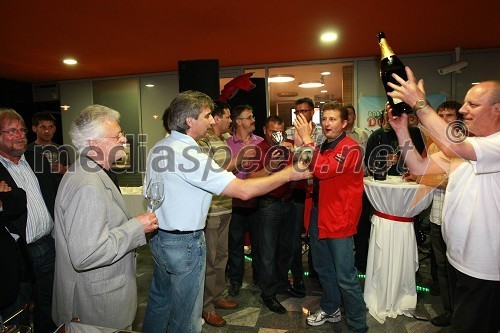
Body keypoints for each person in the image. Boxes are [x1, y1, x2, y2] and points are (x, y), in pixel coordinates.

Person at [142, 91, 310, 333]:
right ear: (190, 121)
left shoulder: (161, 146)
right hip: (183, 243)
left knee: (160, 301)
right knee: (186, 314)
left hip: (160, 238)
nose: (212, 121)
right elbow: (242, 190)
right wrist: (289, 173)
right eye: (207, 115)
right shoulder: (190, 155)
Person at [386, 68, 499, 333]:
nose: (463, 110)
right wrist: (402, 130)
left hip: (485, 268)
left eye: (473, 104)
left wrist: (420, 104)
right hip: (459, 260)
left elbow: (453, 146)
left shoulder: (491, 144)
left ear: (497, 109)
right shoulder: (470, 144)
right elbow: (418, 167)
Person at [51, 105, 159, 329]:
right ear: (94, 143)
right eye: (117, 135)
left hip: (99, 295)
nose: (124, 140)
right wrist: (136, 227)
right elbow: (86, 255)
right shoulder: (88, 184)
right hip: (96, 305)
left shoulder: (93, 171)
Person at [295, 102, 368, 332]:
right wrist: (302, 144)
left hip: (339, 217)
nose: (327, 123)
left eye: (333, 119)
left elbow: (323, 170)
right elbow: (307, 166)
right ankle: (331, 308)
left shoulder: (351, 147)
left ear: (345, 123)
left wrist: (307, 141)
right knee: (323, 267)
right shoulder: (324, 145)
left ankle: (358, 324)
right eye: (324, 118)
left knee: (345, 275)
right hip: (319, 213)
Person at [0, 108, 58, 333]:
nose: (20, 135)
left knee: (50, 306)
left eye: (22, 130)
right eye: (12, 130)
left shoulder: (35, 157)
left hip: (49, 246)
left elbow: (52, 194)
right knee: (18, 312)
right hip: (18, 255)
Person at [248, 115, 303, 314]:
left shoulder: (287, 147)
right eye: (273, 131)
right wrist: (270, 167)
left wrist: (294, 154)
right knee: (268, 253)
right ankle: (268, 294)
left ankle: (282, 284)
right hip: (268, 205)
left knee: (286, 249)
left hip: (288, 203)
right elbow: (251, 177)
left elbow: (298, 171)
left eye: (280, 132)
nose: (277, 136)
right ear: (264, 130)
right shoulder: (257, 149)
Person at [416, 101, 463, 328]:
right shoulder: (434, 143)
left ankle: (464, 313)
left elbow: (456, 180)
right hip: (437, 215)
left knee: (460, 270)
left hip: (461, 220)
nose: (444, 119)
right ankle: (449, 311)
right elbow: (424, 170)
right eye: (440, 114)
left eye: (449, 115)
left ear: (459, 118)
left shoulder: (466, 145)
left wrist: (430, 179)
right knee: (442, 266)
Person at [197, 101, 238, 327]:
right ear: (216, 117)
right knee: (210, 260)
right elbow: (210, 175)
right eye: (228, 117)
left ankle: (218, 295)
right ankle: (206, 306)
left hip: (225, 206)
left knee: (222, 256)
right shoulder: (203, 142)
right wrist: (236, 162)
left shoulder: (222, 140)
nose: (230, 121)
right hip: (211, 210)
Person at [286, 97, 325, 286]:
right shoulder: (287, 133)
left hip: (317, 190)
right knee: (294, 235)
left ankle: (317, 273)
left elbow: (320, 161)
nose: (300, 115)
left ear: (312, 112)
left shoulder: (324, 133)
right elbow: (290, 163)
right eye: (297, 112)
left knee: (316, 235)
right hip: (295, 190)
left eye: (304, 111)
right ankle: (298, 276)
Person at [226, 104, 263, 296]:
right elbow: (221, 173)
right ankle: (235, 280)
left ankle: (259, 280)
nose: (253, 120)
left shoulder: (262, 143)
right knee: (235, 243)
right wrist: (240, 160)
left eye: (253, 116)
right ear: (238, 121)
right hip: (235, 203)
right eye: (249, 117)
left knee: (259, 244)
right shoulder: (226, 145)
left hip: (258, 202)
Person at [344, 104, 371, 274]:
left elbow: (368, 161)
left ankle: (362, 262)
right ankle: (345, 263)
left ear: (354, 116)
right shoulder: (333, 136)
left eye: (351, 113)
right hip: (341, 189)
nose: (348, 116)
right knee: (344, 228)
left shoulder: (362, 135)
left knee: (361, 228)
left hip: (359, 187)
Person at [26, 111, 71, 176]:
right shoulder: (27, 150)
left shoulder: (62, 150)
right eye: (43, 127)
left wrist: (63, 170)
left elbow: (71, 175)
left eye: (50, 127)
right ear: (34, 128)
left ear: (54, 129)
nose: (47, 131)